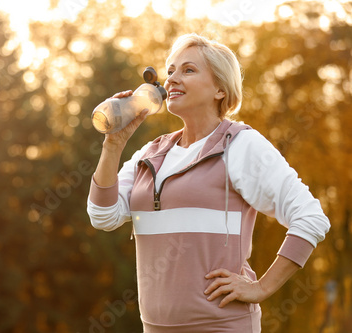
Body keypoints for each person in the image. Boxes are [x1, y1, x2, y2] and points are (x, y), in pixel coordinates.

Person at [86, 33, 330, 332]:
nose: (173, 78)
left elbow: (311, 218)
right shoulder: (150, 154)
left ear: (219, 89)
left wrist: (262, 287)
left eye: (188, 70)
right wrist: (113, 145)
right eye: (171, 70)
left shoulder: (241, 144)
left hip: (222, 326)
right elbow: (103, 216)